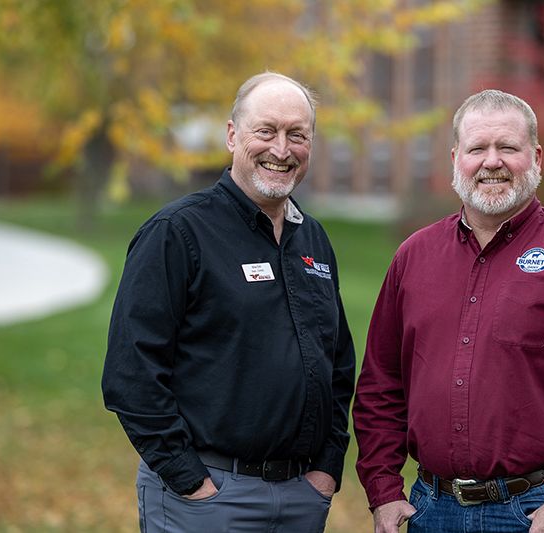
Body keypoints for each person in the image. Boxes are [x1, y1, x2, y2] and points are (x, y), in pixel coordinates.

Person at [352, 89, 544, 533]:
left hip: (536, 513)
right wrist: (383, 490)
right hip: (430, 510)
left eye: (508, 147)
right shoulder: (414, 256)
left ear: (536, 156)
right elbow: (380, 385)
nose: (492, 162)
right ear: (456, 158)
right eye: (477, 149)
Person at [102, 72, 356, 533]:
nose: (281, 150)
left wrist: (327, 468)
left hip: (302, 498)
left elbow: (337, 365)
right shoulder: (177, 233)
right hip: (208, 499)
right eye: (266, 131)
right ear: (232, 135)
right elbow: (130, 373)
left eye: (297, 135)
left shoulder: (313, 239)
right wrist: (189, 480)